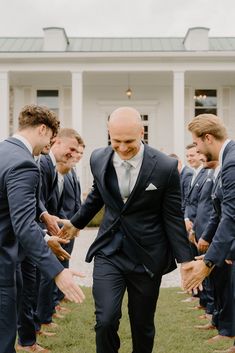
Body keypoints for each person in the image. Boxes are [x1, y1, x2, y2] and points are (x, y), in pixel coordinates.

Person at [59, 106, 193, 353]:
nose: (122, 148)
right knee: (106, 320)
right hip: (109, 253)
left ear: (142, 132)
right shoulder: (98, 157)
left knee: (142, 325)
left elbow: (172, 216)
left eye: (129, 141)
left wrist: (185, 262)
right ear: (109, 134)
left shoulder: (165, 166)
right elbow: (98, 195)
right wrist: (76, 223)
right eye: (116, 141)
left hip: (147, 256)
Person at [0, 104, 85, 353]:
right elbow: (23, 224)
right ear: (42, 129)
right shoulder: (25, 163)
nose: (48, 145)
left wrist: (45, 234)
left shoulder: (3, 150)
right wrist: (57, 272)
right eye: (50, 138)